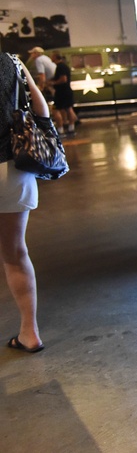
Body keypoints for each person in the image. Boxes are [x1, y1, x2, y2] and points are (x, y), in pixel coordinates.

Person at [1, 53, 50, 354]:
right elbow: (41, 107)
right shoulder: (13, 62)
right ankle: (29, 333)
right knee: (15, 253)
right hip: (13, 169)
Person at [49, 52, 77, 135]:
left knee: (55, 110)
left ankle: (60, 130)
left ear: (55, 57)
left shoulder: (60, 67)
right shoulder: (64, 66)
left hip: (61, 92)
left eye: (52, 56)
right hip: (67, 91)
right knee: (69, 109)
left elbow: (63, 79)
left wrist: (53, 83)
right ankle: (71, 128)